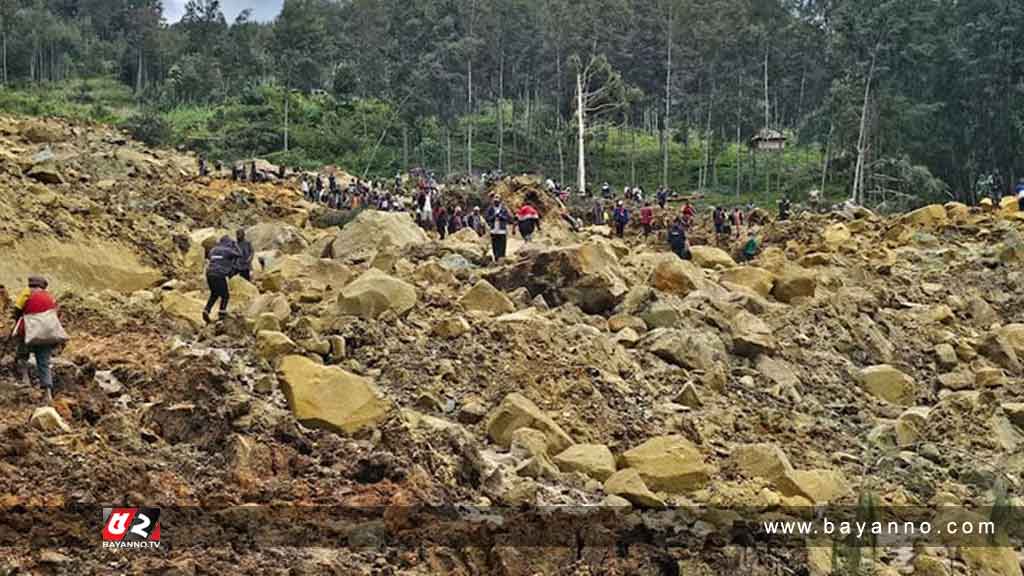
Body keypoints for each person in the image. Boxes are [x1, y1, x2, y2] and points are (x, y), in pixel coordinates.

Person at [13, 277, 59, 403]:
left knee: (22, 355)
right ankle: (47, 393)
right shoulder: (49, 297)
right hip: (47, 335)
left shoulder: (26, 293)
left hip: (29, 332)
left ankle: (25, 379)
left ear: (30, 285)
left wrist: (17, 323)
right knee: (44, 362)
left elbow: (16, 310)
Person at [203, 236, 241, 324]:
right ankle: (221, 315)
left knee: (214, 294)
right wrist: (235, 245)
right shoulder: (227, 250)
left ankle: (206, 310)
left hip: (209, 273)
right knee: (225, 296)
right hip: (219, 274)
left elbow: (211, 258)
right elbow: (239, 254)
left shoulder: (213, 250)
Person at [485, 197, 513, 262]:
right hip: (493, 230)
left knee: (502, 245)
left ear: (500, 202)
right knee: (494, 245)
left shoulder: (504, 209)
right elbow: (487, 218)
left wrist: (500, 216)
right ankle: (496, 257)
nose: (496, 203)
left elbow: (508, 218)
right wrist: (494, 216)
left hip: (502, 230)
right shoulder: (490, 209)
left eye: (497, 201)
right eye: (495, 201)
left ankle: (502, 257)